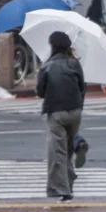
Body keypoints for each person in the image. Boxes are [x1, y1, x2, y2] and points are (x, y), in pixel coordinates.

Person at [36, 32, 85, 202]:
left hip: (56, 112)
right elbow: (81, 88)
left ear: (52, 46)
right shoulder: (75, 64)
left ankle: (63, 189)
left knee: (57, 151)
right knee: (69, 149)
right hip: (75, 112)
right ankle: (69, 177)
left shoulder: (47, 66)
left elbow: (40, 92)